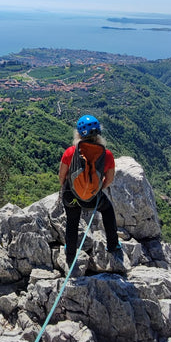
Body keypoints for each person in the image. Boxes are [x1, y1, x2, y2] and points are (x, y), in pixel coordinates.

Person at [58, 115, 121, 271]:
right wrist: (96, 189)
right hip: (93, 198)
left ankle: (70, 255)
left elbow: (62, 177)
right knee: (107, 210)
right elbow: (109, 179)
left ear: (78, 134)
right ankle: (113, 245)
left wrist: (69, 190)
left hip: (71, 196)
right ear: (98, 133)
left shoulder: (70, 152)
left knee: (72, 222)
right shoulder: (107, 155)